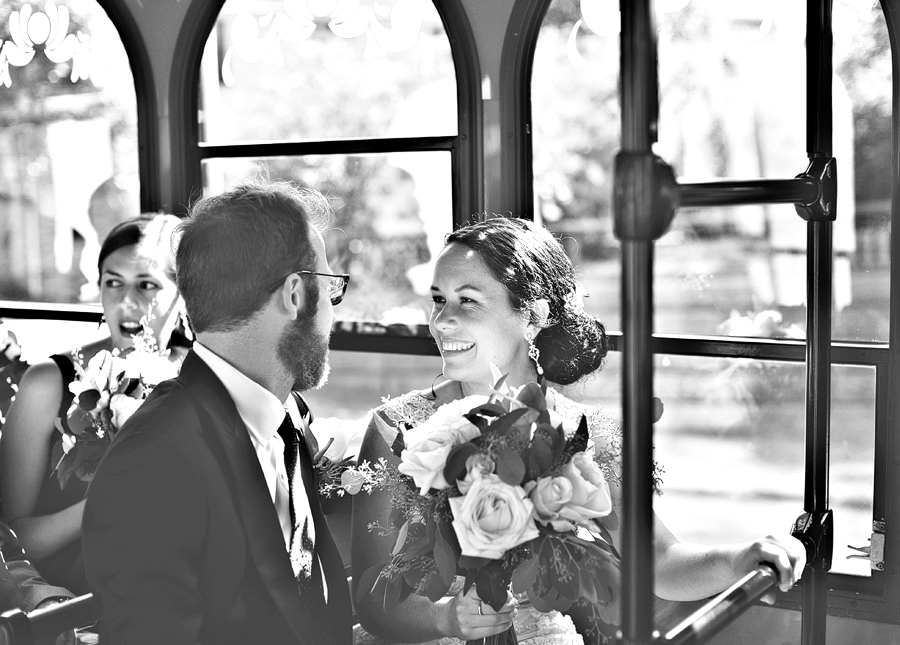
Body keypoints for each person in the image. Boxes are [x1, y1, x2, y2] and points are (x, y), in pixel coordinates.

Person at [351, 216, 806, 645]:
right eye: (437, 299)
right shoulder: (397, 427)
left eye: (467, 300)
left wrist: (741, 557)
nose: (442, 319)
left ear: (532, 316)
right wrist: (445, 616)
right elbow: (372, 599)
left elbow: (659, 562)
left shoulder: (593, 434)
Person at [81, 180, 354, 645]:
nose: (332, 310)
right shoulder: (154, 460)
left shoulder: (284, 418)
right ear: (294, 294)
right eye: (329, 287)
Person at [0, 213, 187, 595]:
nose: (127, 301)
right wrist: (106, 501)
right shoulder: (48, 383)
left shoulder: (202, 375)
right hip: (78, 599)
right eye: (113, 282)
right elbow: (10, 542)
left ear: (183, 293)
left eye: (147, 284)